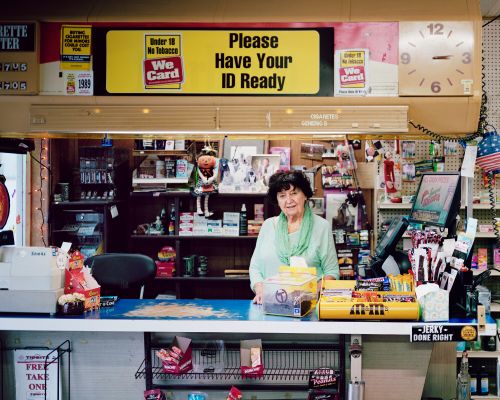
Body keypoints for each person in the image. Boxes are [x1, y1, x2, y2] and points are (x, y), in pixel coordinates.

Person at [249, 171, 340, 304]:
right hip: (269, 305)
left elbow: (331, 272)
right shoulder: (268, 226)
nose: (289, 200)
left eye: (294, 193)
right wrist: (260, 289)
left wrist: (310, 294)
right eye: (282, 195)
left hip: (308, 307)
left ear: (304, 195)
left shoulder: (321, 227)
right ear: (277, 200)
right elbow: (255, 268)